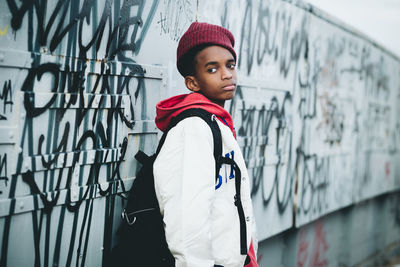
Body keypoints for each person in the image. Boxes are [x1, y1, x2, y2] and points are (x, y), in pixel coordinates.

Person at [153, 22, 259, 267]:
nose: (227, 74)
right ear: (192, 82)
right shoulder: (193, 128)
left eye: (230, 65)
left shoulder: (215, 122)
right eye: (213, 69)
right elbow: (187, 219)